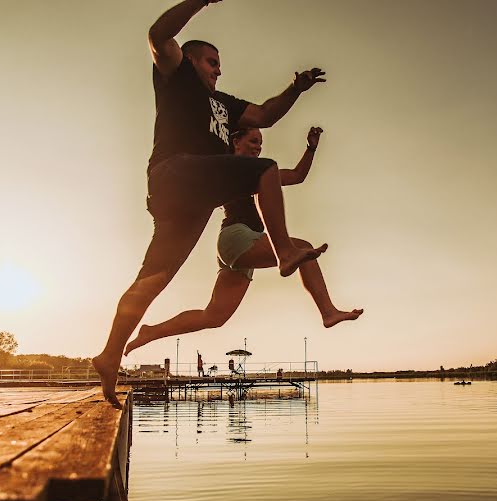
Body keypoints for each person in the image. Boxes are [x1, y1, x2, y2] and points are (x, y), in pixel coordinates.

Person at [92, 0, 328, 406]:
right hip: (175, 171)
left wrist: (296, 89)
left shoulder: (229, 106)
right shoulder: (176, 75)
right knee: (264, 168)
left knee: (153, 279)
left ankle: (109, 354)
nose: (218, 69)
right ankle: (286, 251)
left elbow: (267, 114)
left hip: (191, 202)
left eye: (219, 64)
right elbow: (158, 35)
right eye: (211, 62)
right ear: (190, 59)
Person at [123, 126, 363, 356]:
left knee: (214, 316)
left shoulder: (256, 173)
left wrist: (310, 149)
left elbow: (297, 176)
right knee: (302, 248)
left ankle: (151, 332)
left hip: (240, 244)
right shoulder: (223, 168)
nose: (258, 148)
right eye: (253, 141)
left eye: (260, 144)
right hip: (238, 237)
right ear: (236, 142)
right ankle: (328, 312)